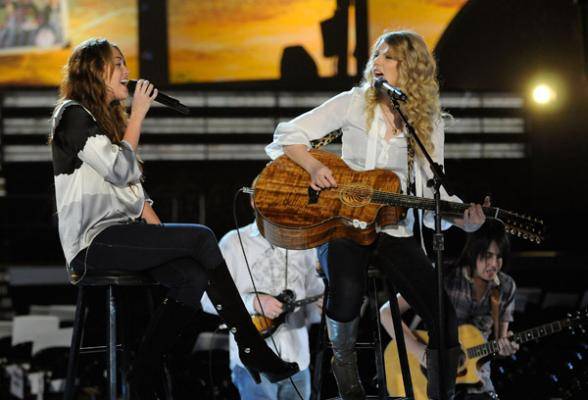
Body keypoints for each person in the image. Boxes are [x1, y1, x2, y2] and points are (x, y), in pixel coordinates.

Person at [49, 38, 298, 400]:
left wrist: (161, 238)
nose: (127, 72)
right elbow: (121, 169)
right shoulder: (72, 113)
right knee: (201, 237)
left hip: (121, 235)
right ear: (93, 71)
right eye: (117, 64)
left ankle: (143, 370)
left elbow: (131, 193)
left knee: (191, 276)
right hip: (92, 244)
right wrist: (137, 116)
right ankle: (251, 346)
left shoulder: (101, 125)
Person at [266, 30, 488, 400]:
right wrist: (313, 168)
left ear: (411, 68)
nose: (378, 64)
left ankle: (441, 394)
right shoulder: (354, 102)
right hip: (343, 222)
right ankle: (346, 373)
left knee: (442, 313)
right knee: (349, 289)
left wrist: (463, 220)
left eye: (388, 58)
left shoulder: (427, 122)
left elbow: (433, 188)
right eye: (377, 56)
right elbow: (289, 132)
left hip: (392, 227)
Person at [380, 219, 518, 400]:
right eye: (487, 255)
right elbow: (386, 313)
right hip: (432, 381)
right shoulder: (443, 275)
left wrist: (505, 348)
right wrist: (421, 353)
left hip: (476, 381)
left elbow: (499, 343)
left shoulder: (506, 287)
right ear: (473, 251)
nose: (494, 264)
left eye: (499, 257)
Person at [201, 218, 325, 399]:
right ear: (253, 201)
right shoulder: (234, 241)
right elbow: (206, 299)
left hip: (298, 360)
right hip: (254, 364)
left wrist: (324, 310)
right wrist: (253, 302)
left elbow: (315, 303)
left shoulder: (303, 243)